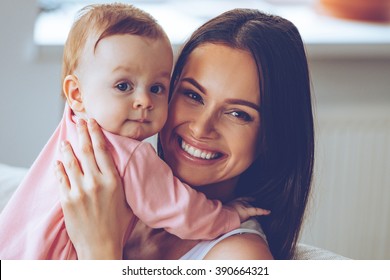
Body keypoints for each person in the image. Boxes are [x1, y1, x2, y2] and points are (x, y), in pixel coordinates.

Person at [0, 4, 269, 260]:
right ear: (76, 93)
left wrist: (100, 253)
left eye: (156, 88)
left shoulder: (72, 127)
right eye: (123, 86)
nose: (144, 101)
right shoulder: (132, 156)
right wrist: (228, 216)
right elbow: (182, 210)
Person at [55, 8, 314, 260]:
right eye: (192, 95)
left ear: (271, 137)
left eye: (238, 114)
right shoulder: (103, 195)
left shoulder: (240, 258)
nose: (201, 128)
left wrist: (99, 252)